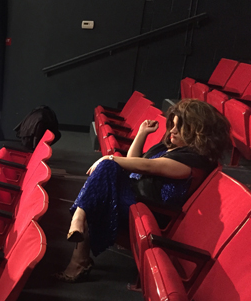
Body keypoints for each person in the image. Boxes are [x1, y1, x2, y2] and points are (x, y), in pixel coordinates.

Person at [53, 99, 231, 282]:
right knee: (103, 181)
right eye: (173, 125)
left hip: (153, 210)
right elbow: (133, 162)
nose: (173, 131)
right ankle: (79, 247)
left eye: (181, 127)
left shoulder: (193, 163)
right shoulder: (172, 147)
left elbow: (148, 166)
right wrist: (142, 133)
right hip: (137, 197)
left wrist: (108, 160)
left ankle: (78, 225)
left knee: (106, 172)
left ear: (198, 131)